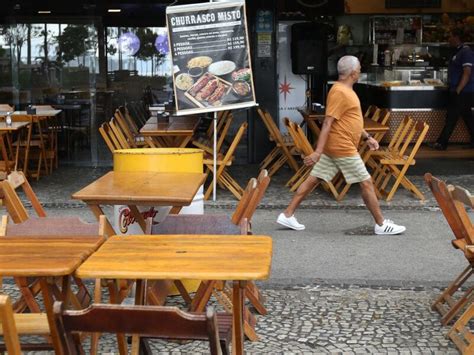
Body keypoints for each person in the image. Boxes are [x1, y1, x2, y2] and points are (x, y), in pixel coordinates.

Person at [277, 55, 406, 235]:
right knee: (366, 182)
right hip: (342, 147)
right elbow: (328, 122)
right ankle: (381, 224)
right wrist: (317, 152)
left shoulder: (344, 90)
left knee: (314, 178)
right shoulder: (340, 92)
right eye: (359, 68)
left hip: (337, 146)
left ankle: (287, 214)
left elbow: (349, 120)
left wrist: (367, 136)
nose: (360, 70)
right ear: (353, 73)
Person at [430, 29, 474, 150]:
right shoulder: (458, 51)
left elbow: (467, 72)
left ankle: (441, 143)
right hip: (458, 89)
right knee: (467, 116)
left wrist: (458, 89)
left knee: (452, 116)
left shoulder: (466, 52)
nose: (448, 39)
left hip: (464, 91)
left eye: (450, 36)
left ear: (456, 37)